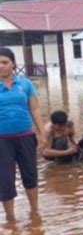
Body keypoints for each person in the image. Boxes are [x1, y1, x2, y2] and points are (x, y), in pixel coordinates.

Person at [0, 47, 46, 222]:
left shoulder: (25, 84)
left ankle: (35, 212)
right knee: (5, 179)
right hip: (2, 141)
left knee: (30, 175)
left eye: (5, 62)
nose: (1, 66)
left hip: (26, 137)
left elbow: (34, 109)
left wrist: (42, 134)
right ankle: (10, 218)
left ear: (13, 64)